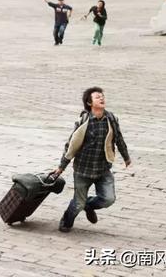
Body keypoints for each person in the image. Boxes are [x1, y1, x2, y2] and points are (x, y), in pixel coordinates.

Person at [54, 87, 131, 233]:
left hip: (103, 169)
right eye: (97, 97)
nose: (101, 98)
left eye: (102, 96)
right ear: (89, 103)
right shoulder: (83, 121)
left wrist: (126, 157)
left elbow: (119, 139)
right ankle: (66, 221)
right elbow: (71, 145)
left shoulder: (111, 119)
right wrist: (61, 167)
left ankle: (89, 205)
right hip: (83, 170)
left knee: (109, 199)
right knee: (77, 204)